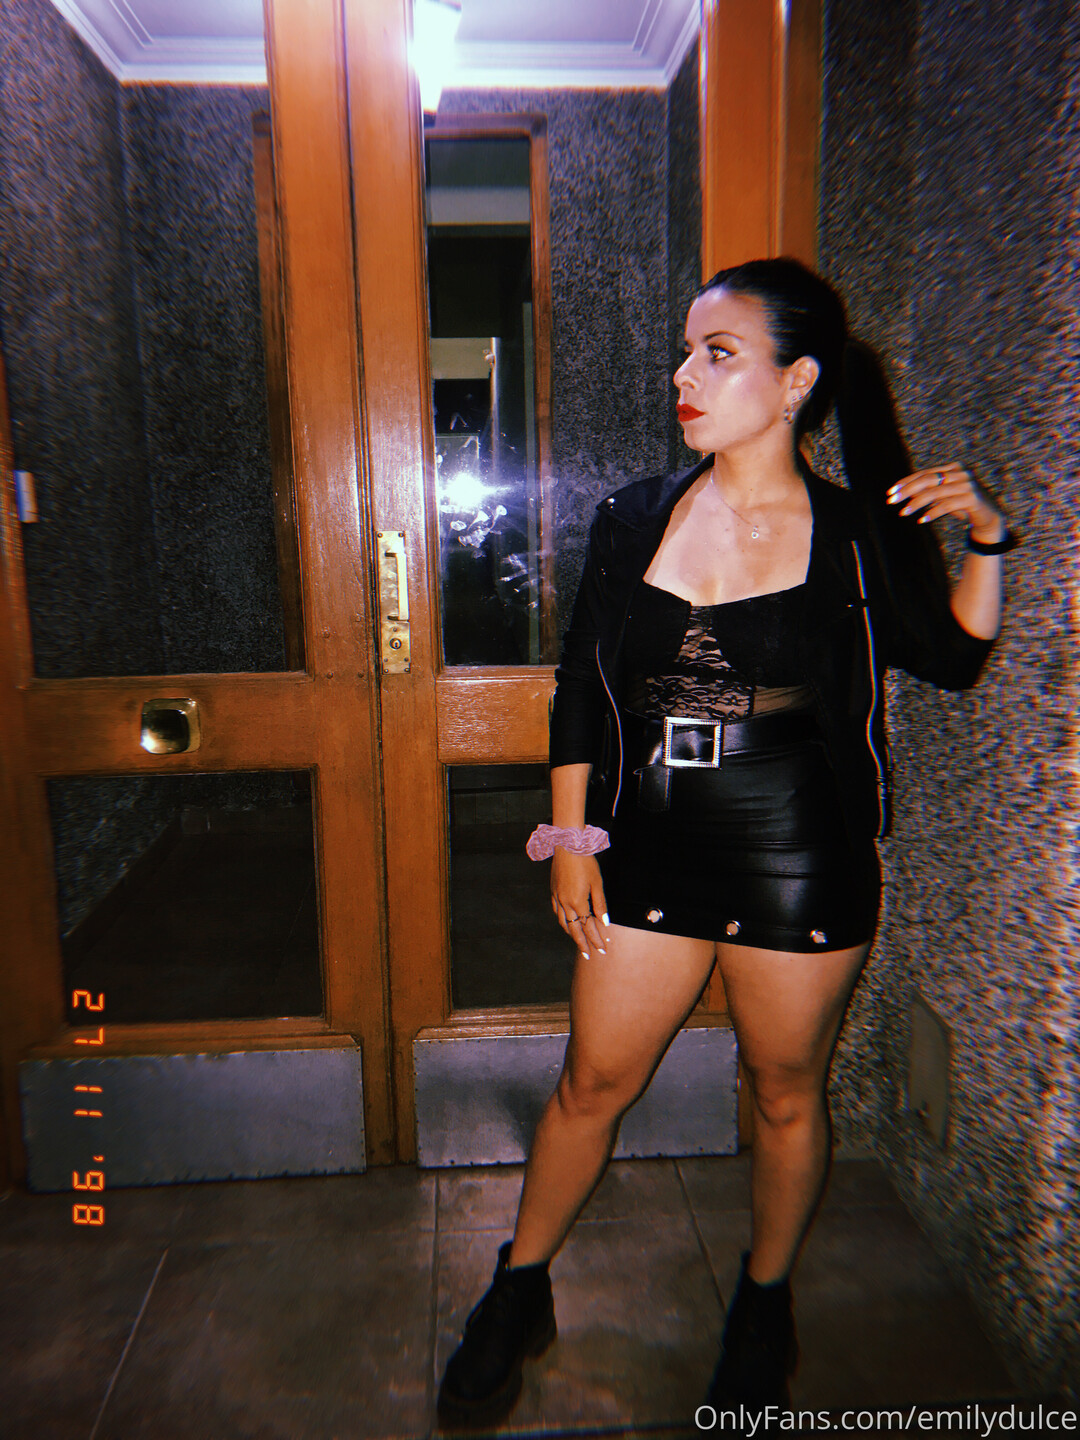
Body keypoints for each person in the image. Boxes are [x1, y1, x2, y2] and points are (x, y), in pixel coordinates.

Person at [436, 258, 1012, 1426]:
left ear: (796, 382)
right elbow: (581, 687)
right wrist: (573, 835)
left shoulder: (855, 532)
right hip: (649, 838)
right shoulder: (634, 515)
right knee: (593, 1081)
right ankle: (519, 1287)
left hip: (800, 848)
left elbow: (954, 657)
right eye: (687, 351)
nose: (683, 375)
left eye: (719, 353)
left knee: (785, 1090)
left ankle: (763, 1305)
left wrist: (990, 540)